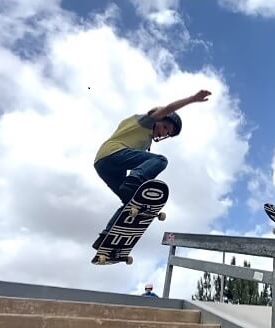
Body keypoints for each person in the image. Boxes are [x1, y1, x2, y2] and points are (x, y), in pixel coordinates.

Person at [91, 90, 212, 249]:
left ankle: (105, 237)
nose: (164, 133)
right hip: (113, 154)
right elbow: (168, 108)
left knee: (131, 203)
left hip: (104, 165)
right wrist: (192, 99)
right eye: (166, 127)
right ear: (160, 119)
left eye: (168, 133)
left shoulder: (147, 141)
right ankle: (134, 181)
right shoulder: (146, 121)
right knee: (160, 160)